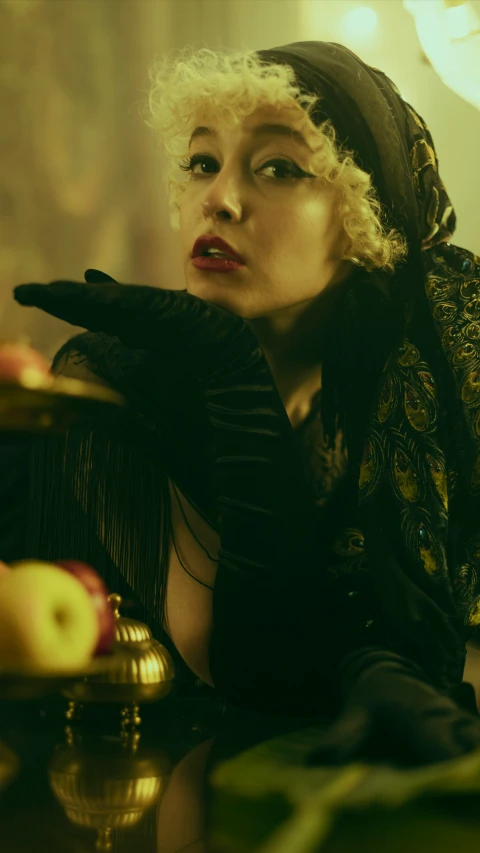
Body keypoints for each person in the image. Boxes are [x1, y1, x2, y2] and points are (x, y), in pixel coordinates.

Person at [13, 41, 480, 765]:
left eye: (278, 169)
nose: (218, 199)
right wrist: (229, 368)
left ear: (366, 219)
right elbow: (251, 671)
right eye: (203, 162)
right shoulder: (120, 382)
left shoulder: (450, 359)